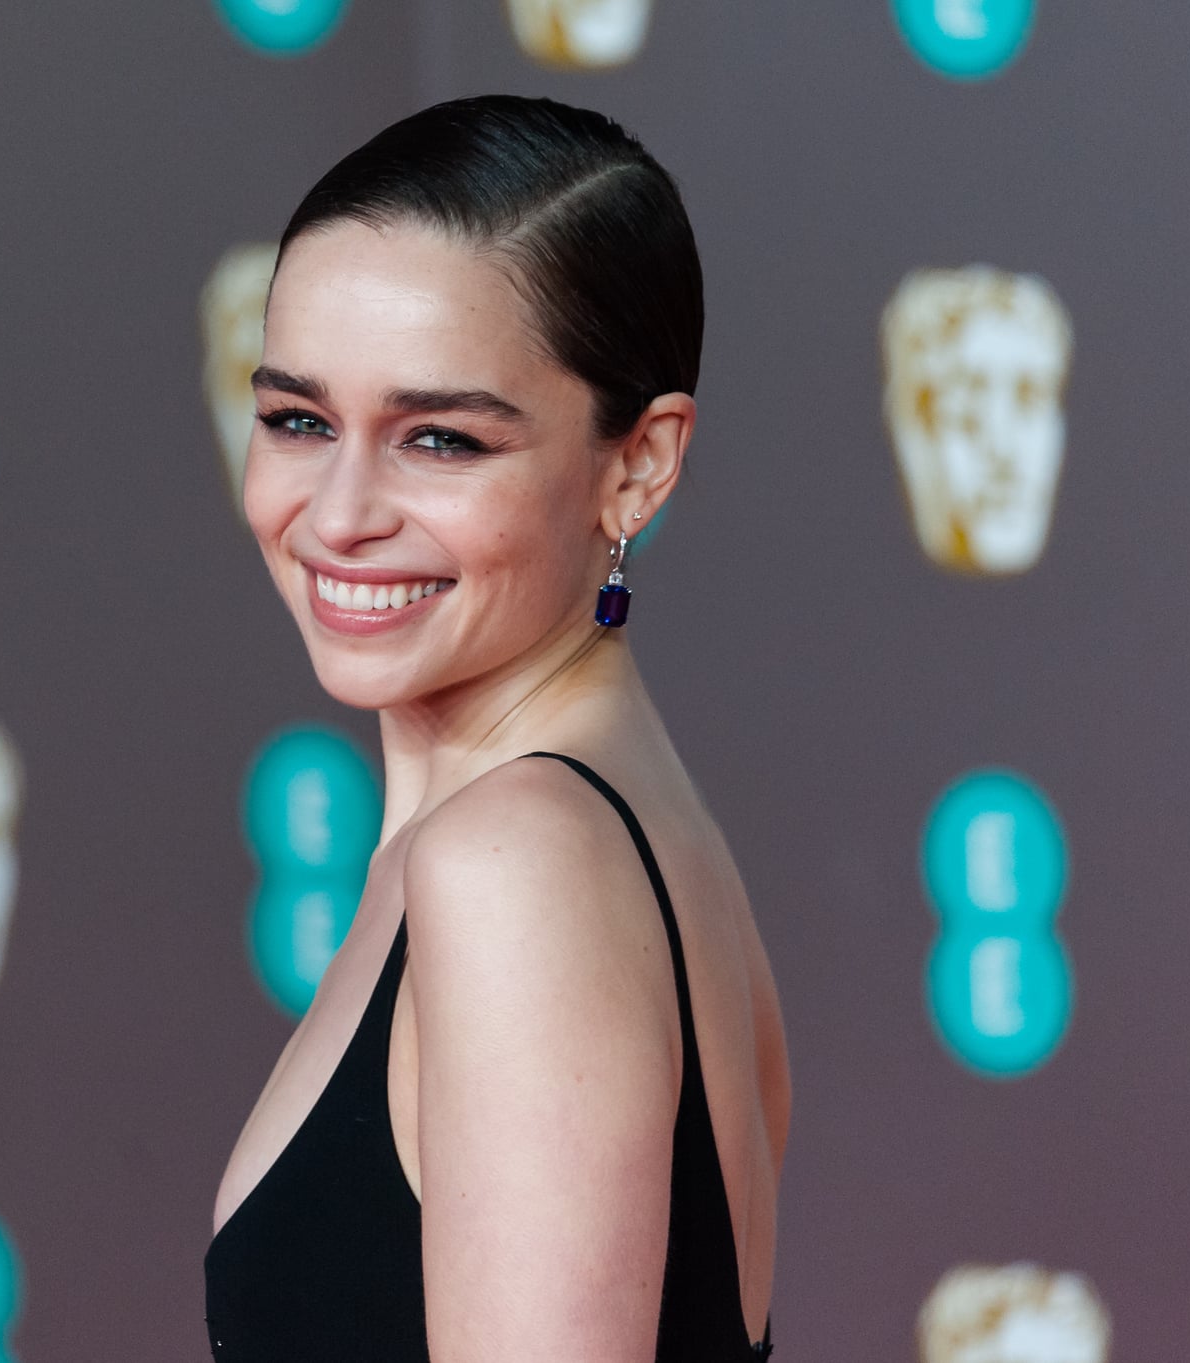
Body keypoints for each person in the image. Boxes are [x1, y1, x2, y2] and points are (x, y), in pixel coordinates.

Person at [203, 94, 790, 1362]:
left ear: (636, 464)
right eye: (297, 419)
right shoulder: (593, 827)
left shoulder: (518, 866)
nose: (338, 512)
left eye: (438, 439)